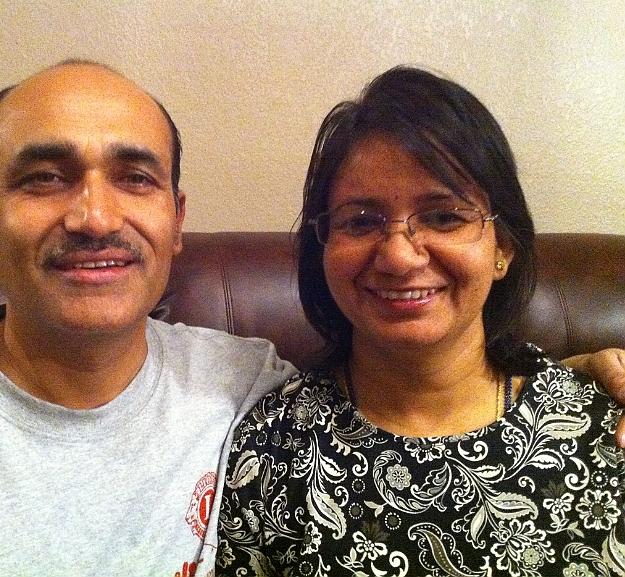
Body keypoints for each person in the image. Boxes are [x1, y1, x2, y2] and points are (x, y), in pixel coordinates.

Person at [0, 60, 621, 577]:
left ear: (176, 221)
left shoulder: (235, 386)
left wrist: (579, 387)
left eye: (134, 177)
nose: (94, 216)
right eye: (44, 178)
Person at [217, 66, 625, 576]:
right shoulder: (268, 450)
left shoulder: (604, 425)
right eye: (360, 221)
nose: (399, 256)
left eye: (444, 216)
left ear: (503, 247)